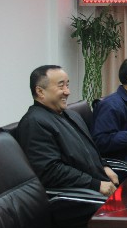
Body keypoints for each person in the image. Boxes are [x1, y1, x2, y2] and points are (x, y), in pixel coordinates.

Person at [16, 65, 118, 197]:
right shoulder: (34, 122)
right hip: (80, 196)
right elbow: (50, 171)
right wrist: (95, 184)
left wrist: (104, 166)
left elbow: (89, 149)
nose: (67, 91)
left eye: (67, 85)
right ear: (40, 91)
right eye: (61, 86)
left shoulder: (71, 114)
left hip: (100, 185)